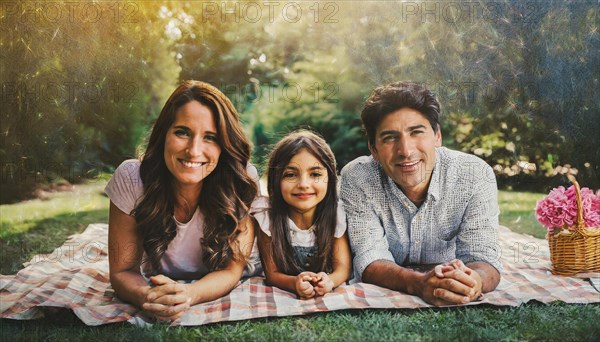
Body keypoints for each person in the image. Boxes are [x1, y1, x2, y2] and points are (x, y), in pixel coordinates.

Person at [105, 80, 259, 321]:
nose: (193, 150)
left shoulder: (240, 180)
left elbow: (231, 270)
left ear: (224, 146)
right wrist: (147, 296)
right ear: (163, 134)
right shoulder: (131, 178)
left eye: (210, 137)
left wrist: (188, 294)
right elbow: (123, 270)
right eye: (182, 132)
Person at [340, 81, 501, 306]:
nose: (406, 151)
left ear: (437, 136)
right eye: (390, 138)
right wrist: (419, 283)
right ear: (373, 149)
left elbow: (483, 257)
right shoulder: (358, 177)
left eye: (416, 132)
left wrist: (474, 281)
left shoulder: (475, 174)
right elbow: (369, 258)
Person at [254, 130, 352, 298]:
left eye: (315, 174)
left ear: (330, 177)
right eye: (291, 175)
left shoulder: (335, 215)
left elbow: (342, 267)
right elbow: (272, 274)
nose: (304, 184)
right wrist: (294, 283)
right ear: (276, 180)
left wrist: (329, 281)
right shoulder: (267, 218)